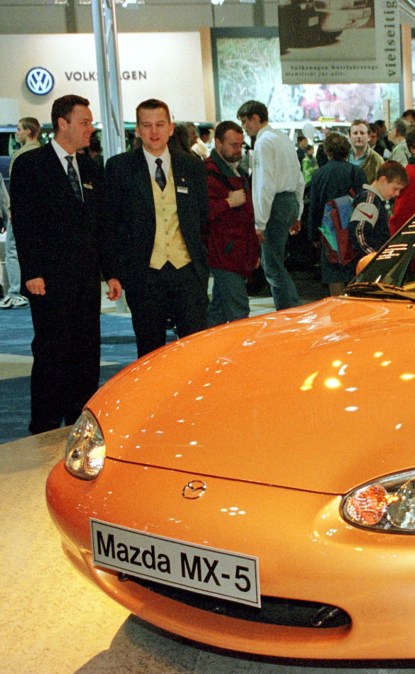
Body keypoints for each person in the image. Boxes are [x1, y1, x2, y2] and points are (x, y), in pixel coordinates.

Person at [9, 94, 121, 433]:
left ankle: (79, 422)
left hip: (86, 279)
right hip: (49, 280)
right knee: (51, 352)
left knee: (87, 353)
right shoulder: (31, 165)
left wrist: (111, 273)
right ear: (63, 123)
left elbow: (102, 225)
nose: (90, 128)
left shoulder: (89, 167)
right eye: (84, 122)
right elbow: (24, 224)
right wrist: (32, 272)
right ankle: (43, 426)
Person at [106, 98, 209, 358]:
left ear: (171, 128)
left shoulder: (192, 166)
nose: (154, 132)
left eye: (160, 125)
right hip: (145, 276)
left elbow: (202, 217)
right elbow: (112, 224)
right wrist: (114, 272)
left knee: (195, 348)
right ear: (137, 130)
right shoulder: (120, 168)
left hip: (186, 272)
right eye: (147, 125)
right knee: (149, 351)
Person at [237, 99, 305, 310]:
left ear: (255, 118)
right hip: (289, 201)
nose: (244, 128)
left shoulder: (263, 142)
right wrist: (298, 213)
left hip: (275, 205)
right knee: (276, 263)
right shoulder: (283, 139)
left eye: (245, 122)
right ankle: (291, 308)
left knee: (272, 265)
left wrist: (259, 222)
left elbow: (264, 184)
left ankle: (289, 312)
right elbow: (299, 179)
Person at [203, 120, 261, 327]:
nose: (238, 150)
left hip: (234, 252)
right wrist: (228, 202)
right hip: (225, 253)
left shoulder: (236, 172)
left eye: (240, 145)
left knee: (218, 309)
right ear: (218, 143)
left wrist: (253, 250)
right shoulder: (208, 172)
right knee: (238, 310)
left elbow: (246, 217)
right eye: (233, 145)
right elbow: (202, 212)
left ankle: (207, 353)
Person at [309, 132, 366, 296]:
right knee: (353, 270)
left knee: (333, 272)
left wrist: (314, 235)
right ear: (347, 150)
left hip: (329, 231)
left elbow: (315, 207)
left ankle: (338, 307)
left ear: (327, 151)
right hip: (353, 228)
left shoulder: (319, 174)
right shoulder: (356, 172)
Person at [1, 116, 42, 310]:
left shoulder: (21, 155)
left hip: (21, 212)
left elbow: (18, 188)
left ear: (28, 131)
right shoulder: (45, 153)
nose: (16, 133)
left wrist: (11, 210)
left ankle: (16, 292)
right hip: (39, 213)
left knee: (12, 250)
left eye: (18, 129)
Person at [348, 160, 408, 266]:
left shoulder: (374, 200)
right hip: (369, 263)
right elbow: (359, 234)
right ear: (383, 180)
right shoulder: (369, 200)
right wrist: (376, 259)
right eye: (395, 188)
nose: (397, 193)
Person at [348, 119, 384, 184]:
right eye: (355, 133)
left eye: (362, 133)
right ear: (350, 137)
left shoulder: (378, 160)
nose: (358, 136)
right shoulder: (343, 156)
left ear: (369, 137)